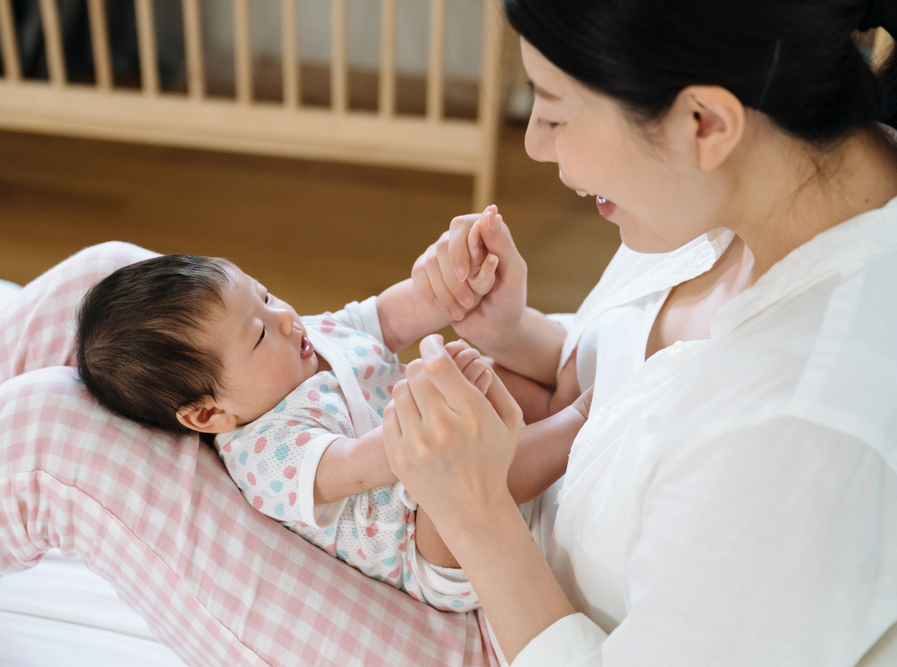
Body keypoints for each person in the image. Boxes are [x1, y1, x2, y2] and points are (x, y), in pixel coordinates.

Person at [382, 0, 897, 665]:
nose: (536, 143)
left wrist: (476, 513)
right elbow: (634, 388)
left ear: (703, 122)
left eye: (556, 110)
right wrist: (515, 333)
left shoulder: (805, 431)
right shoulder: (729, 195)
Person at [71, 239, 590, 612]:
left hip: (434, 452)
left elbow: (389, 316)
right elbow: (356, 466)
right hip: (434, 546)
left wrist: (450, 283)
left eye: (266, 295)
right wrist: (438, 414)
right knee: (456, 476)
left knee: (483, 372)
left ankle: (555, 404)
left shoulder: (304, 341)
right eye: (258, 335)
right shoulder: (266, 454)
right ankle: (580, 425)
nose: (286, 319)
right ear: (208, 414)